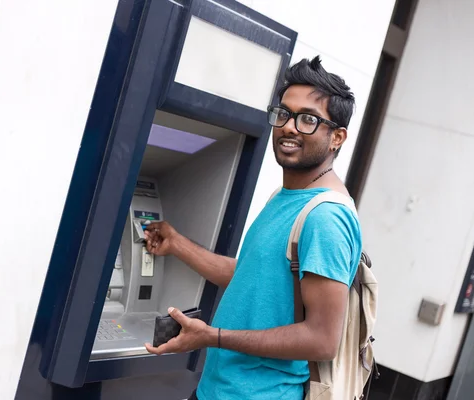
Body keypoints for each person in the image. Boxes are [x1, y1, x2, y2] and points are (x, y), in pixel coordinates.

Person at [144, 56, 362, 400]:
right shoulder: (286, 196)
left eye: (308, 119)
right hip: (218, 390)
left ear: (337, 137)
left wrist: (212, 337)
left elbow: (322, 340)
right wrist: (177, 244)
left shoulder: (325, 218)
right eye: (284, 114)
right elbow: (253, 278)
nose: (289, 127)